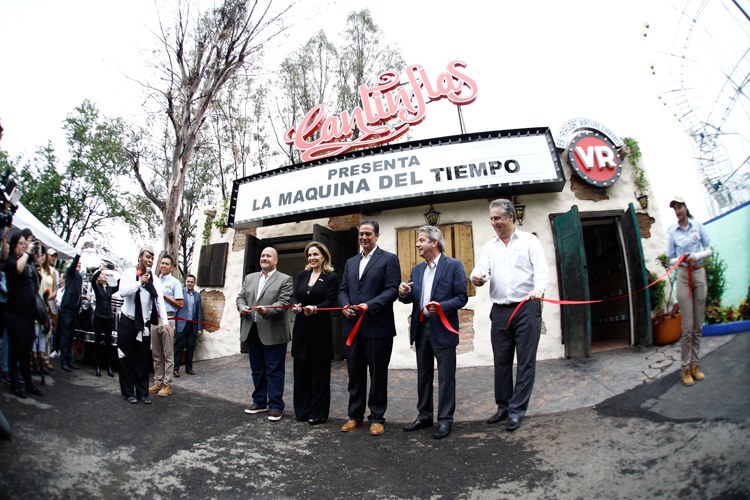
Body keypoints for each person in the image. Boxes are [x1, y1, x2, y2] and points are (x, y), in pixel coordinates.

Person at [471, 199, 549, 432]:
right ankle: (503, 407)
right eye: (492, 218)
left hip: (527, 307)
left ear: (511, 217)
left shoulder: (529, 241)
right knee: (502, 362)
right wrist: (476, 277)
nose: (493, 222)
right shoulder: (490, 246)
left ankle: (517, 411)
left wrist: (538, 290)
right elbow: (481, 271)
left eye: (497, 218)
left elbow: (542, 272)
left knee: (525, 362)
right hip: (501, 311)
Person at [398, 226, 468, 439]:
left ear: (434, 242)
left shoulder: (454, 265)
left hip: (443, 327)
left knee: (446, 377)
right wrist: (402, 293)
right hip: (421, 328)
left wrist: (442, 307)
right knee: (423, 375)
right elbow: (412, 298)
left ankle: (445, 420)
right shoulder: (417, 270)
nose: (417, 244)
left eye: (421, 240)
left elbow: (461, 297)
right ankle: (424, 416)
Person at [338, 220, 400, 436]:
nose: (364, 237)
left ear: (377, 236)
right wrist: (345, 305)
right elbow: (343, 289)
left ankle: (376, 417)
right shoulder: (351, 262)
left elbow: (392, 291)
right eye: (361, 234)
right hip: (353, 327)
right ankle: (355, 416)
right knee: (355, 375)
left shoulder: (389, 259)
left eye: (368, 234)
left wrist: (369, 306)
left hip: (378, 327)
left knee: (378, 375)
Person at [236, 247, 293, 421]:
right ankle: (259, 402)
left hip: (273, 331)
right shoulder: (250, 278)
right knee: (257, 369)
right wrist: (242, 307)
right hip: (252, 330)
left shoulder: (285, 279)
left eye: (268, 256)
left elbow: (283, 303)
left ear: (276, 260)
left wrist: (266, 310)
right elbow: (240, 297)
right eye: (262, 255)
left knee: (274, 370)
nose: (264, 258)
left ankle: (276, 405)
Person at [290, 242, 339, 425]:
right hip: (302, 329)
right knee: (301, 374)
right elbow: (295, 295)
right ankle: (302, 411)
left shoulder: (331, 277)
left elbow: (331, 300)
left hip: (320, 331)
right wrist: (296, 305)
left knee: (319, 375)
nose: (312, 258)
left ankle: (318, 413)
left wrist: (316, 308)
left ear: (324, 256)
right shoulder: (302, 275)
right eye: (309, 255)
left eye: (315, 254)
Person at [666, 196, 712, 386]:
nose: (678, 211)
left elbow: (709, 249)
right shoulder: (672, 232)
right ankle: (685, 368)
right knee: (687, 326)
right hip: (684, 275)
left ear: (685, 207)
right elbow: (670, 259)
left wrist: (695, 256)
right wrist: (682, 258)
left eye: (680, 207)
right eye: (675, 208)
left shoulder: (697, 226)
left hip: (699, 272)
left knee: (697, 326)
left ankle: (695, 365)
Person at [117, 245, 168, 404]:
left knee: (143, 359)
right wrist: (139, 283)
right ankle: (128, 392)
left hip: (144, 324)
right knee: (126, 357)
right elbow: (122, 292)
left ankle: (142, 393)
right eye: (147, 257)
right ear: (140, 258)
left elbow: (159, 300)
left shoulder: (155, 279)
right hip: (128, 321)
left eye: (152, 258)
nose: (150, 260)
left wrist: (165, 322)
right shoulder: (128, 273)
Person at [4, 233, 43, 398]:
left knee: (27, 352)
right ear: (14, 246)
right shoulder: (11, 262)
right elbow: (18, 268)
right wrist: (27, 252)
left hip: (28, 315)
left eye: (24, 243)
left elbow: (37, 276)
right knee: (15, 351)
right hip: (15, 315)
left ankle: (28, 384)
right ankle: (15, 385)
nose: (23, 246)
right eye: (20, 244)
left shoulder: (27, 262)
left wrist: (35, 251)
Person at [149, 254, 182, 397]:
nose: (163, 266)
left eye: (167, 264)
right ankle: (158, 382)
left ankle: (167, 385)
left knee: (168, 354)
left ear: (172, 267)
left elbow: (180, 304)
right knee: (156, 354)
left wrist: (163, 295)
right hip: (155, 319)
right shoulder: (155, 280)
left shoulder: (175, 283)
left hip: (169, 319)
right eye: (162, 263)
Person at [90, 263, 119, 377]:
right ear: (99, 277)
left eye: (105, 275)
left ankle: (109, 367)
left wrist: (116, 271)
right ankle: (97, 366)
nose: (104, 276)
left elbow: (120, 284)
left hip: (108, 317)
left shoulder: (110, 289)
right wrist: (100, 269)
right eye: (102, 275)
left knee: (108, 342)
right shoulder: (96, 287)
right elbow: (92, 280)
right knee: (97, 341)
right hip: (98, 316)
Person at [58, 247, 83, 372]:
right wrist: (79, 253)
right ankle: (64, 361)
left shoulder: (78, 276)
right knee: (66, 335)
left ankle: (68, 360)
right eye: (77, 263)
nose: (78, 265)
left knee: (71, 336)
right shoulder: (70, 272)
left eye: (80, 264)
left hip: (74, 309)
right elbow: (73, 265)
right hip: (67, 308)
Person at [174, 274, 202, 377]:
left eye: (192, 282)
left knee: (190, 347)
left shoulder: (197, 295)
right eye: (188, 281)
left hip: (192, 326)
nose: (190, 283)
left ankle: (189, 368)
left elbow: (199, 312)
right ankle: (175, 369)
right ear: (185, 282)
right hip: (181, 324)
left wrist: (199, 327)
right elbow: (176, 309)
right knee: (179, 347)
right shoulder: (180, 293)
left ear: (195, 283)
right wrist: (174, 324)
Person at [40, 248, 58, 371]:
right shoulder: (40, 269)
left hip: (47, 303)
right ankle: (35, 357)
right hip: (38, 301)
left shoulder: (54, 272)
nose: (53, 258)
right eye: (51, 256)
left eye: (55, 257)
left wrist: (47, 299)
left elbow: (54, 290)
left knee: (47, 331)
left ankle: (45, 358)